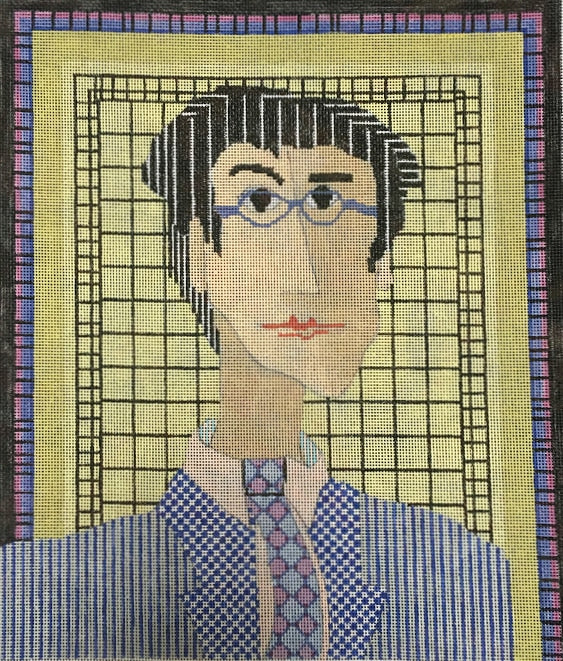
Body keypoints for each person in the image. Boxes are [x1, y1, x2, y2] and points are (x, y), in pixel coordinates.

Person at [0, 85, 513, 660]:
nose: (304, 276)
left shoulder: (463, 571)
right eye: (260, 203)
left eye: (328, 203)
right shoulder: (42, 587)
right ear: (196, 252)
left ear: (381, 266)